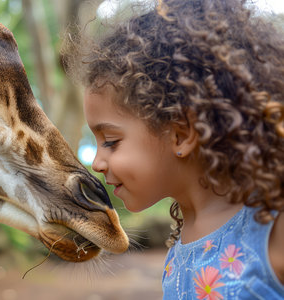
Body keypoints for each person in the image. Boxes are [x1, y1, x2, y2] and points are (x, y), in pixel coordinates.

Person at [64, 0, 284, 298]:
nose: (98, 163)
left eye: (111, 142)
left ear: (181, 135)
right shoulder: (183, 237)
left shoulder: (270, 227)